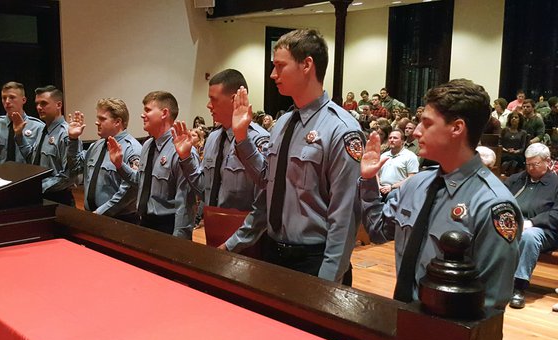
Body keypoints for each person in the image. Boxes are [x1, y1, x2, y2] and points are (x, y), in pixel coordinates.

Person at [360, 78, 521, 309]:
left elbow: (490, 302)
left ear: (456, 128)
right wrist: (367, 181)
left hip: (447, 335)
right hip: (401, 317)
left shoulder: (493, 205)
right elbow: (377, 232)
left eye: (426, 123)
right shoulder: (415, 184)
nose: (416, 132)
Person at [230, 29, 363, 285]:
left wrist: (327, 282)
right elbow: (268, 182)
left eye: (280, 66)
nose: (273, 75)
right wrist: (241, 138)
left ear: (307, 65)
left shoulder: (341, 129)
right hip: (273, 252)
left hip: (314, 260)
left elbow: (344, 216)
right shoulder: (282, 123)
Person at [171, 69, 269, 252]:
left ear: (234, 99)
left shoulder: (257, 140)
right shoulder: (214, 139)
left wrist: (232, 244)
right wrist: (185, 158)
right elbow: (205, 190)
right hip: (214, 234)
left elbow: (263, 205)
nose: (208, 105)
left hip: (247, 243)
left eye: (213, 99)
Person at [107, 91, 195, 238]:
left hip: (167, 229)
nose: (143, 115)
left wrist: (179, 242)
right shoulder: (148, 145)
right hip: (143, 223)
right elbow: (141, 182)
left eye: (147, 110)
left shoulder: (181, 149)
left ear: (164, 113)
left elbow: (185, 204)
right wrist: (119, 165)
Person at [66, 98, 142, 220]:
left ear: (117, 122)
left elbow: (130, 190)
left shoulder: (132, 149)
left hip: (119, 219)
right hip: (94, 216)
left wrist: (100, 213)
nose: (97, 122)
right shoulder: (96, 146)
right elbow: (75, 169)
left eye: (102, 119)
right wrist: (73, 139)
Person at [503, 143, 558, 309]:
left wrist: (532, 222)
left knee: (529, 236)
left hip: (545, 230)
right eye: (528, 164)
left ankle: (518, 287)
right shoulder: (516, 179)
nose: (530, 168)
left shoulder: (556, 183)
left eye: (535, 164)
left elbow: (556, 214)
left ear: (548, 162)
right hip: (512, 225)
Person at [22, 85, 79, 205]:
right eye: (37, 103)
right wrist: (18, 136)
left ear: (58, 105)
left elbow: (69, 175)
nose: (39, 107)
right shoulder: (42, 130)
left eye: (43, 103)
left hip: (58, 198)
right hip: (39, 197)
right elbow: (32, 160)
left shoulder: (66, 133)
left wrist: (39, 188)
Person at [377, 129, 419, 200]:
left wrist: (392, 187)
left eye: (395, 138)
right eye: (390, 138)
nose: (392, 140)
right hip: (380, 191)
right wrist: (378, 186)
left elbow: (412, 177)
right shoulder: (383, 155)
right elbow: (376, 174)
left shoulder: (410, 156)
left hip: (398, 193)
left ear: (402, 141)